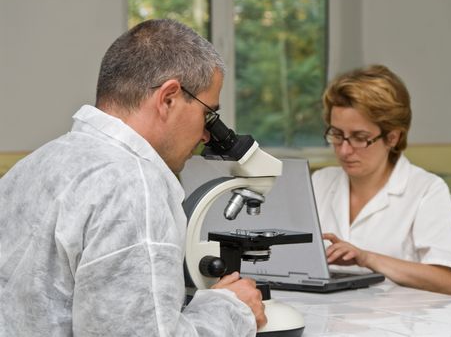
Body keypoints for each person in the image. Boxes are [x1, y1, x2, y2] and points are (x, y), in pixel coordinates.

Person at [0, 19, 266, 336]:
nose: (207, 136)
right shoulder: (133, 186)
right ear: (168, 97)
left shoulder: (37, 163)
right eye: (207, 114)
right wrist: (233, 309)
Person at [312, 64, 451, 295]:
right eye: (337, 135)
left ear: (392, 137)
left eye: (359, 138)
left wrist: (367, 258)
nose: (343, 150)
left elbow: (446, 281)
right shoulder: (319, 183)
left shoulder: (427, 191)